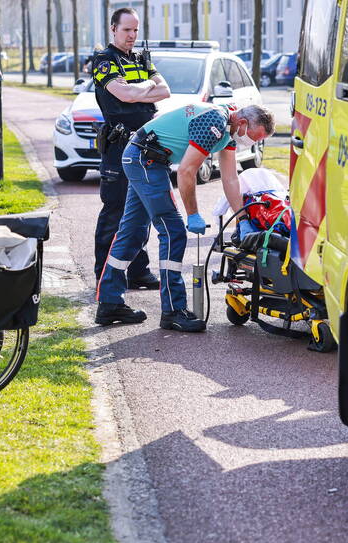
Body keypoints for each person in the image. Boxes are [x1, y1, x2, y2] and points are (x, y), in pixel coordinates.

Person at [95, 103, 276, 332]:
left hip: (144, 158)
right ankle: (173, 310)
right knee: (174, 232)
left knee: (132, 232)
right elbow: (186, 171)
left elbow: (230, 179)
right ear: (242, 123)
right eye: (253, 137)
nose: (250, 143)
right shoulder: (215, 122)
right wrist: (193, 215)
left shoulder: (229, 130)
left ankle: (109, 303)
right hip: (146, 161)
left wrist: (242, 219)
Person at [90, 8, 171, 291]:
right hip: (118, 145)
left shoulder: (140, 58)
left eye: (136, 30)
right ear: (113, 29)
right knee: (115, 210)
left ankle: (137, 271)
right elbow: (125, 94)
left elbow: (165, 91)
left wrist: (140, 89)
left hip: (144, 146)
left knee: (141, 211)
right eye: (127, 30)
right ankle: (104, 274)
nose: (132, 36)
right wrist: (145, 87)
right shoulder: (104, 60)